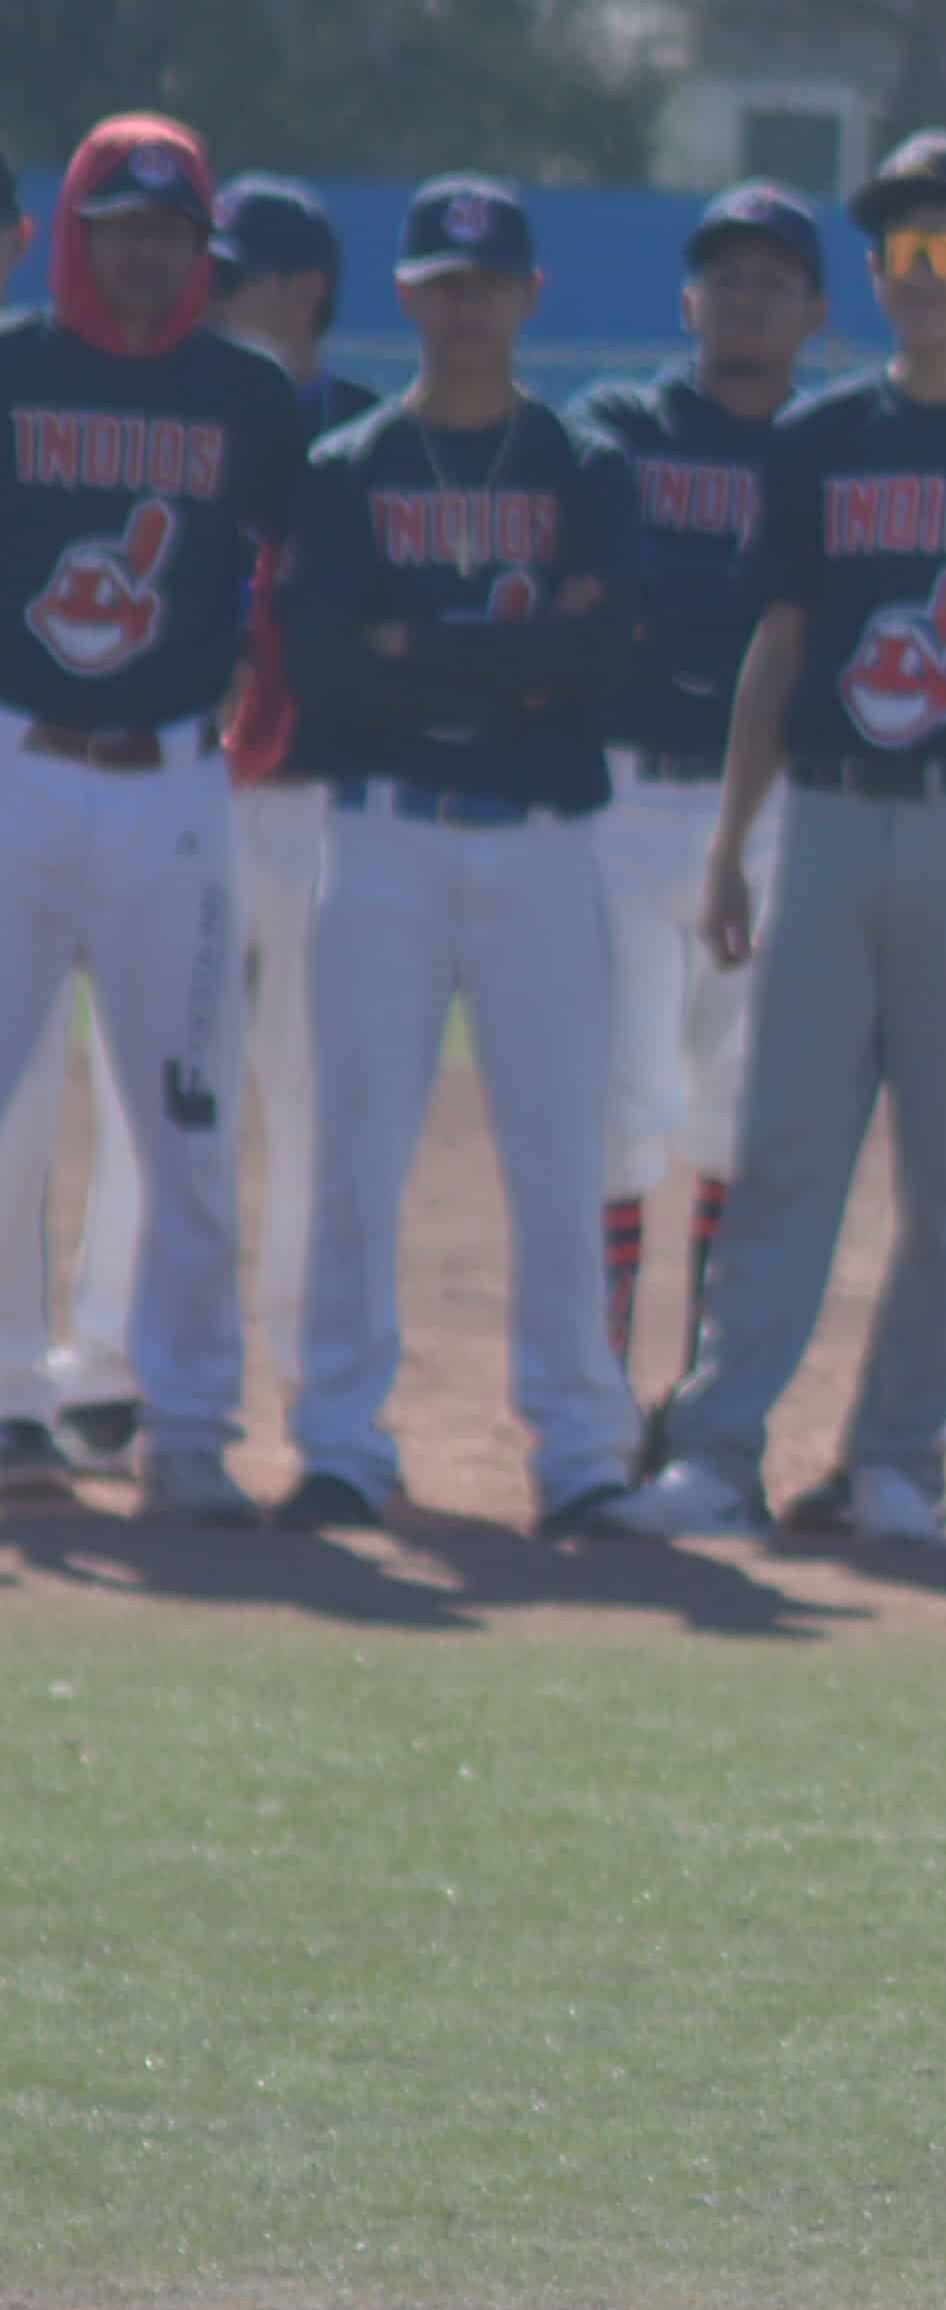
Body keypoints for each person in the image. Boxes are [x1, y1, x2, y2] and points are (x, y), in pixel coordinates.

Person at [605, 133, 946, 1547]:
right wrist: (731, 845)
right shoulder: (823, 441)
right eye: (900, 252)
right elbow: (778, 647)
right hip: (827, 822)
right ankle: (716, 1450)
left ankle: (902, 1457)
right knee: (785, 1152)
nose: (924, 275)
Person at [267, 179, 645, 1536]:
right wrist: (506, 658)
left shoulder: (585, 468)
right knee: (353, 1146)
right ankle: (339, 1439)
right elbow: (320, 670)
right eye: (443, 280)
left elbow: (598, 657)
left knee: (558, 1150)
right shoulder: (347, 465)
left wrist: (412, 651)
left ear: (529, 295)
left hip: (541, 844)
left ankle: (582, 1447)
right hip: (380, 833)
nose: (467, 301)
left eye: (490, 281)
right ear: (409, 294)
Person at [0, 174, 388, 1484]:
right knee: (28, 1100)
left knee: (196, 1102)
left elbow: (296, 584)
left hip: (197, 778)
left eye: (184, 243)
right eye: (127, 233)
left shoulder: (258, 401)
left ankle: (188, 1407)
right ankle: (27, 1392)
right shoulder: (21, 367)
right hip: (34, 760)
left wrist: (264, 716)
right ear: (77, 239)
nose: (160, 264)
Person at [579, 185, 828, 1436]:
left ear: (818, 311)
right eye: (725, 276)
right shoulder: (618, 427)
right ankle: (603, 1401)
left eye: (773, 279)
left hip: (780, 810)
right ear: (688, 301)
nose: (745, 297)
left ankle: (710, 1409)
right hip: (622, 795)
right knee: (620, 1106)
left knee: (743, 1115)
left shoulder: (838, 445)